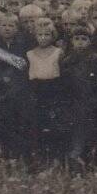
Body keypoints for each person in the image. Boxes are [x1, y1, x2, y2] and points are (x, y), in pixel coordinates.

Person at [61, 24, 97, 161]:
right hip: (74, 104)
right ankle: (75, 160)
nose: (80, 42)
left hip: (92, 104)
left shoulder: (96, 60)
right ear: (72, 41)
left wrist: (96, 102)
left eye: (84, 39)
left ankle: (92, 160)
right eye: (77, 39)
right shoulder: (67, 62)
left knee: (92, 133)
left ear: (90, 41)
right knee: (75, 134)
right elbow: (64, 87)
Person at [26, 21, 65, 160]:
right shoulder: (30, 54)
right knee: (38, 124)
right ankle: (39, 157)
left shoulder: (58, 52)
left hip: (53, 90)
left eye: (46, 34)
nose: (43, 38)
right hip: (36, 91)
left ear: (52, 36)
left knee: (54, 124)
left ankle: (55, 156)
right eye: (40, 35)